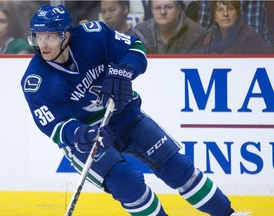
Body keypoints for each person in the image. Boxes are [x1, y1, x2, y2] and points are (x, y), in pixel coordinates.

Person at [21, 5, 249, 216]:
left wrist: (124, 70)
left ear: (66, 35)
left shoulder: (94, 35)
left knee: (176, 167)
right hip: (88, 137)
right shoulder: (36, 81)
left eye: (50, 36)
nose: (43, 44)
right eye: (38, 37)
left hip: (124, 115)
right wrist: (85, 134)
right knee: (127, 183)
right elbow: (57, 127)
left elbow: (135, 47)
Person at [192, 0, 271, 54]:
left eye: (230, 9)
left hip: (249, 45)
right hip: (220, 33)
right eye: (220, 10)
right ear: (214, 17)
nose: (225, 14)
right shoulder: (211, 37)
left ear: (238, 13)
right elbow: (202, 27)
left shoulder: (250, 37)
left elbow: (254, 30)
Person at [132, 0, 206, 54]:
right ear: (152, 10)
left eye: (168, 7)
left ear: (178, 9)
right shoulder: (140, 33)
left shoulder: (197, 34)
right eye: (157, 8)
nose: (163, 12)